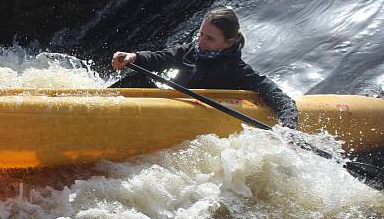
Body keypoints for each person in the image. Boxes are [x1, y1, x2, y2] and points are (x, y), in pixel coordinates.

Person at [111, 7, 298, 129]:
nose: (201, 41)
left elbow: (276, 95)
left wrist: (288, 127)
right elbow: (160, 57)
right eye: (201, 34)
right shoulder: (190, 51)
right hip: (173, 111)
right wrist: (132, 57)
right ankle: (99, 107)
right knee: (136, 80)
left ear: (229, 42)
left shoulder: (236, 70)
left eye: (210, 38)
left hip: (197, 123)